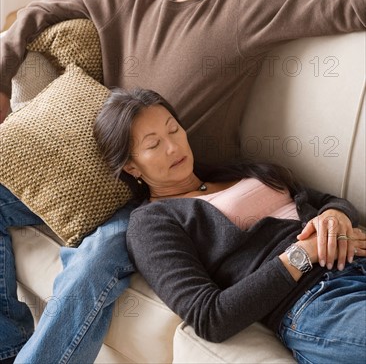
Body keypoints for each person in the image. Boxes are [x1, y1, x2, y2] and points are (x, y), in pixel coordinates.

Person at [0, 0, 365, 362]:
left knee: (91, 265)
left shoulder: (251, 2)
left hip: (176, 198)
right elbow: (39, 12)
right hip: (112, 163)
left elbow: (348, 6)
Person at [94, 86, 366, 363]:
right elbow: (210, 317)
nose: (173, 147)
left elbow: (329, 200)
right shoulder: (151, 223)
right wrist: (304, 253)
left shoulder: (235, 170)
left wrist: (335, 215)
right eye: (153, 145)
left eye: (173, 130)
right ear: (132, 168)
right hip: (318, 299)